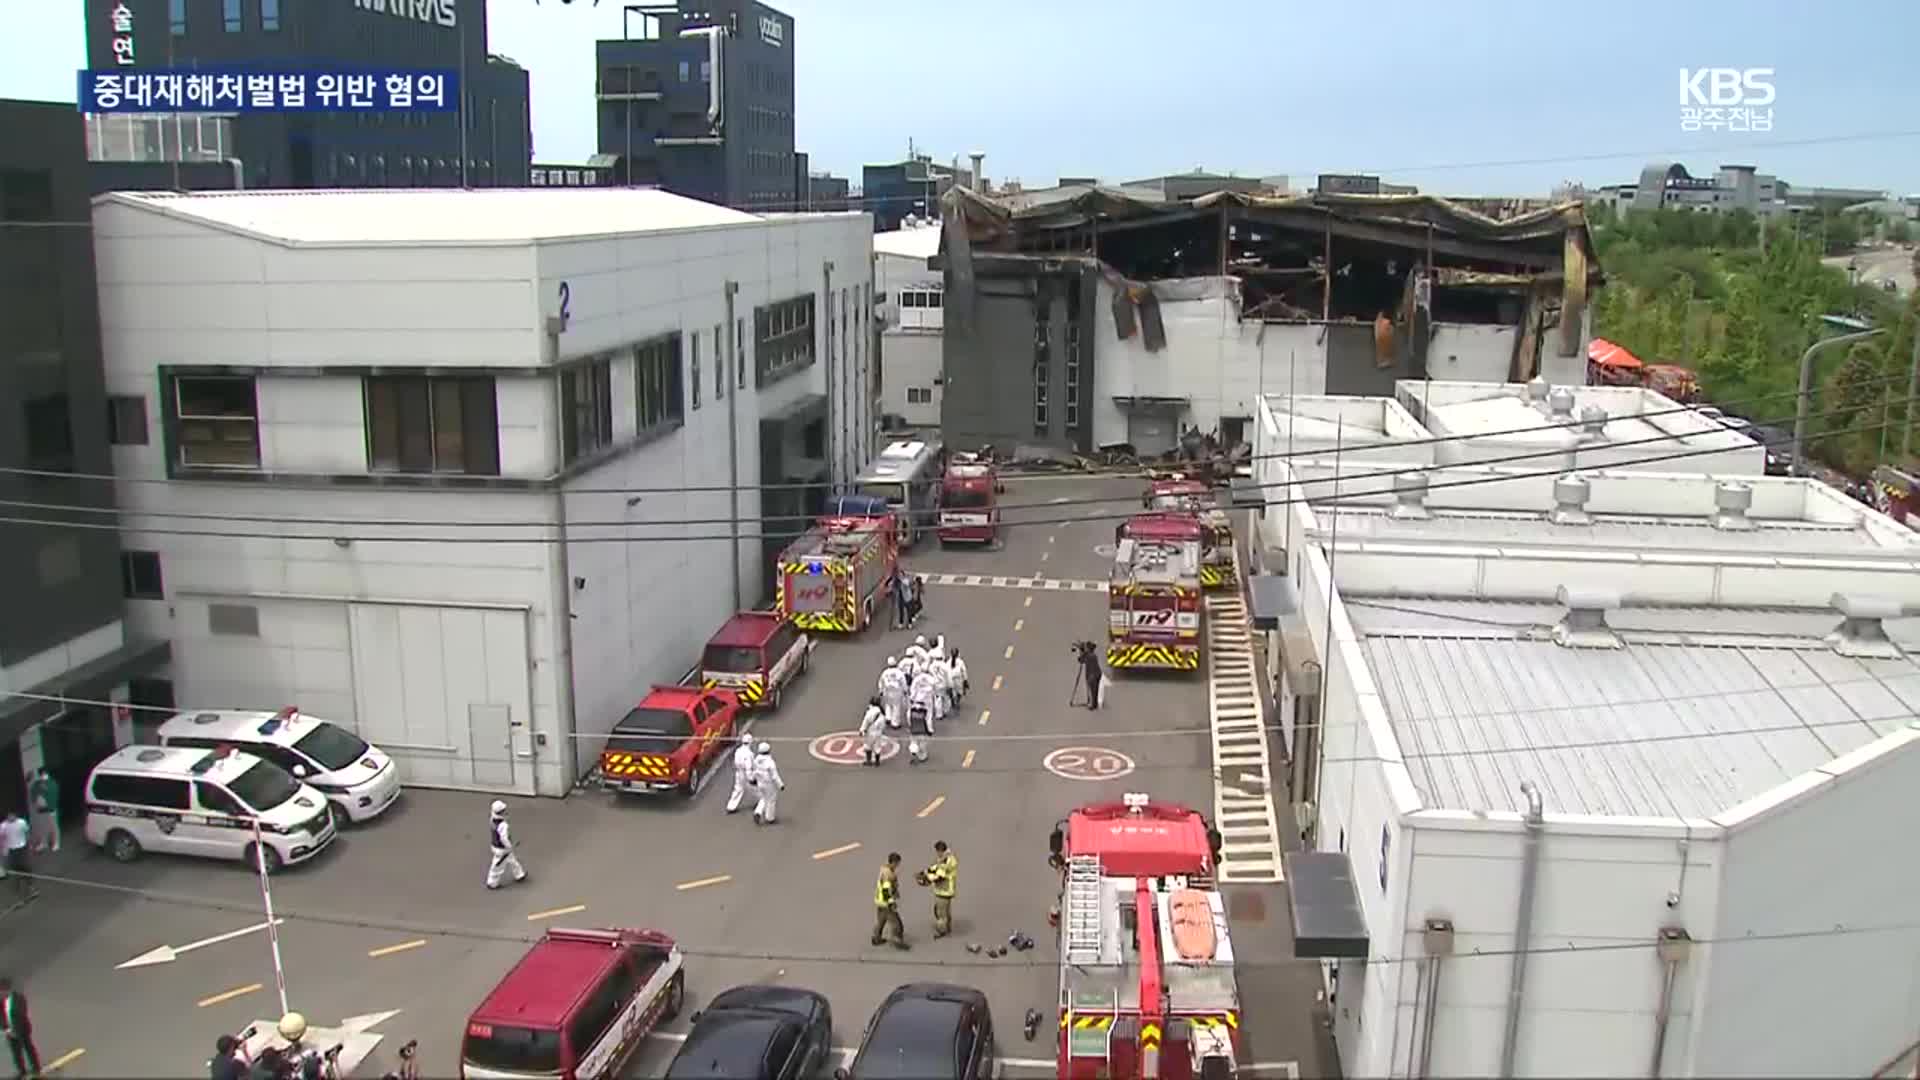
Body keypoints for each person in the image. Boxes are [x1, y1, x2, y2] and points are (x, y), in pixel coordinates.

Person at [485, 801, 526, 890]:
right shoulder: (503, 825)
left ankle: (519, 874)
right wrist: (509, 846)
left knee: (512, 860)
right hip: (502, 849)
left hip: (496, 846)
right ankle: (492, 883)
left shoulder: (492, 819)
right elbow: (504, 838)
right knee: (497, 866)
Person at [0, 978, 36, 1080]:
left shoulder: (18, 998)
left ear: (7, 989)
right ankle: (21, 1071)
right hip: (9, 1031)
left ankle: (35, 1067)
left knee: (28, 1048)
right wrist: (6, 1029)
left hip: (22, 1029)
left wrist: (15, 1030)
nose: (1, 994)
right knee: (16, 1053)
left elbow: (22, 1015)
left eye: (3, 991)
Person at [872, 853, 909, 950]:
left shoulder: (884, 870)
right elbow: (885, 890)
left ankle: (876, 938)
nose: (898, 866)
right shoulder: (888, 874)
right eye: (897, 864)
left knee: (881, 920)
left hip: (879, 900)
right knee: (897, 923)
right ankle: (897, 941)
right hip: (885, 902)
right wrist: (891, 902)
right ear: (893, 862)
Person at [924, 841, 958, 938]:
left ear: (940, 850)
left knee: (940, 913)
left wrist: (927, 878)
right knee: (947, 911)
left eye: (937, 851)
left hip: (943, 890)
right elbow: (935, 867)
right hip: (948, 890)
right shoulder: (949, 858)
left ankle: (941, 931)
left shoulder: (945, 861)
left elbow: (940, 876)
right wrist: (926, 871)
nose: (937, 853)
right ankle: (948, 927)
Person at [907, 664, 937, 765]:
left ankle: (913, 750)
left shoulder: (916, 679)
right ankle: (922, 755)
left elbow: (912, 691)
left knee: (914, 737)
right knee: (927, 719)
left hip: (916, 704)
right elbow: (935, 690)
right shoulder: (931, 679)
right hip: (927, 703)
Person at [750, 741, 784, 825]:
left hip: (760, 782)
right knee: (771, 799)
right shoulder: (770, 762)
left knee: (763, 798)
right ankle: (770, 817)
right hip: (769, 784)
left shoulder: (756, 760)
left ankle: (758, 812)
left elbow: (754, 771)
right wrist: (780, 785)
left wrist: (753, 779)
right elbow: (774, 775)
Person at [0, 814, 31, 903]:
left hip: (19, 850)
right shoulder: (3, 826)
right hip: (11, 851)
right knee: (17, 871)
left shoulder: (20, 823)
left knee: (23, 869)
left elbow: (26, 833)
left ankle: (28, 890)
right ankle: (22, 894)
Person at [25, 770, 56, 855]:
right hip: (40, 809)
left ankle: (44, 844)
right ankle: (45, 844)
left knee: (41, 826)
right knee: (46, 826)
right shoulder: (35, 785)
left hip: (38, 810)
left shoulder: (32, 786)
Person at [724, 733, 756, 814]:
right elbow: (748, 767)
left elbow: (735, 762)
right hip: (745, 773)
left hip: (738, 772)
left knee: (738, 789)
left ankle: (731, 806)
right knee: (754, 788)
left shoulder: (738, 751)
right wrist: (751, 778)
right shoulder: (749, 754)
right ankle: (762, 800)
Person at [859, 695, 889, 767]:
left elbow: (866, 721)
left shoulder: (870, 711)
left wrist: (862, 729)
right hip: (878, 732)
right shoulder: (882, 712)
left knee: (868, 746)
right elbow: (883, 724)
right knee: (877, 746)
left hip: (870, 732)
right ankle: (877, 762)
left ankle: (868, 761)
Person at [879, 657, 907, 730]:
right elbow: (903, 682)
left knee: (888, 704)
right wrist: (905, 690)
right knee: (896, 707)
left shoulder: (885, 672)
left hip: (887, 691)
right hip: (896, 692)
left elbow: (881, 682)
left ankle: (888, 718)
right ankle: (895, 723)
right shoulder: (899, 672)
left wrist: (881, 691)